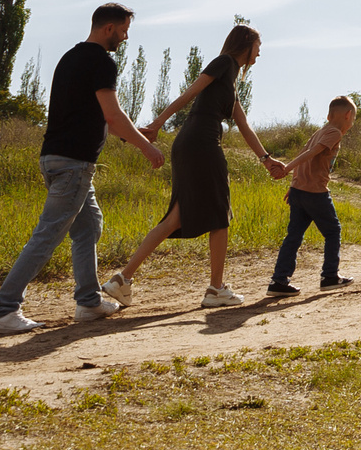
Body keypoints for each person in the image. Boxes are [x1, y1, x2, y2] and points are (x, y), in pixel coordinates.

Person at [0, 2, 165, 335]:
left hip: (54, 158)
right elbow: (113, 115)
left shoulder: (70, 58)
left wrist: (133, 135)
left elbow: (93, 117)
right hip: (74, 165)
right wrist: (146, 147)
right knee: (46, 236)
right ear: (108, 28)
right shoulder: (101, 62)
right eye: (124, 30)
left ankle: (88, 301)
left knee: (88, 226)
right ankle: (3, 310)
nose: (125, 38)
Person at [103, 24, 283, 309]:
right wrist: (156, 124)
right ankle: (216, 289)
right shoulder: (224, 62)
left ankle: (122, 280)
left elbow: (244, 125)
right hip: (202, 143)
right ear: (246, 44)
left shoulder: (231, 78)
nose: (259, 53)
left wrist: (266, 159)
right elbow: (189, 94)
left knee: (176, 217)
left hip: (192, 143)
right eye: (258, 46)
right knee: (220, 213)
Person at [266, 94, 358, 295]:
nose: (352, 122)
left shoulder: (320, 131)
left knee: (294, 236)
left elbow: (304, 156)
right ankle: (330, 276)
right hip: (315, 193)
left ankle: (278, 281)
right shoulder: (334, 133)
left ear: (328, 115)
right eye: (353, 118)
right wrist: (287, 169)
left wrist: (294, 186)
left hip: (299, 192)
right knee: (333, 231)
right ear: (348, 115)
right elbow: (312, 153)